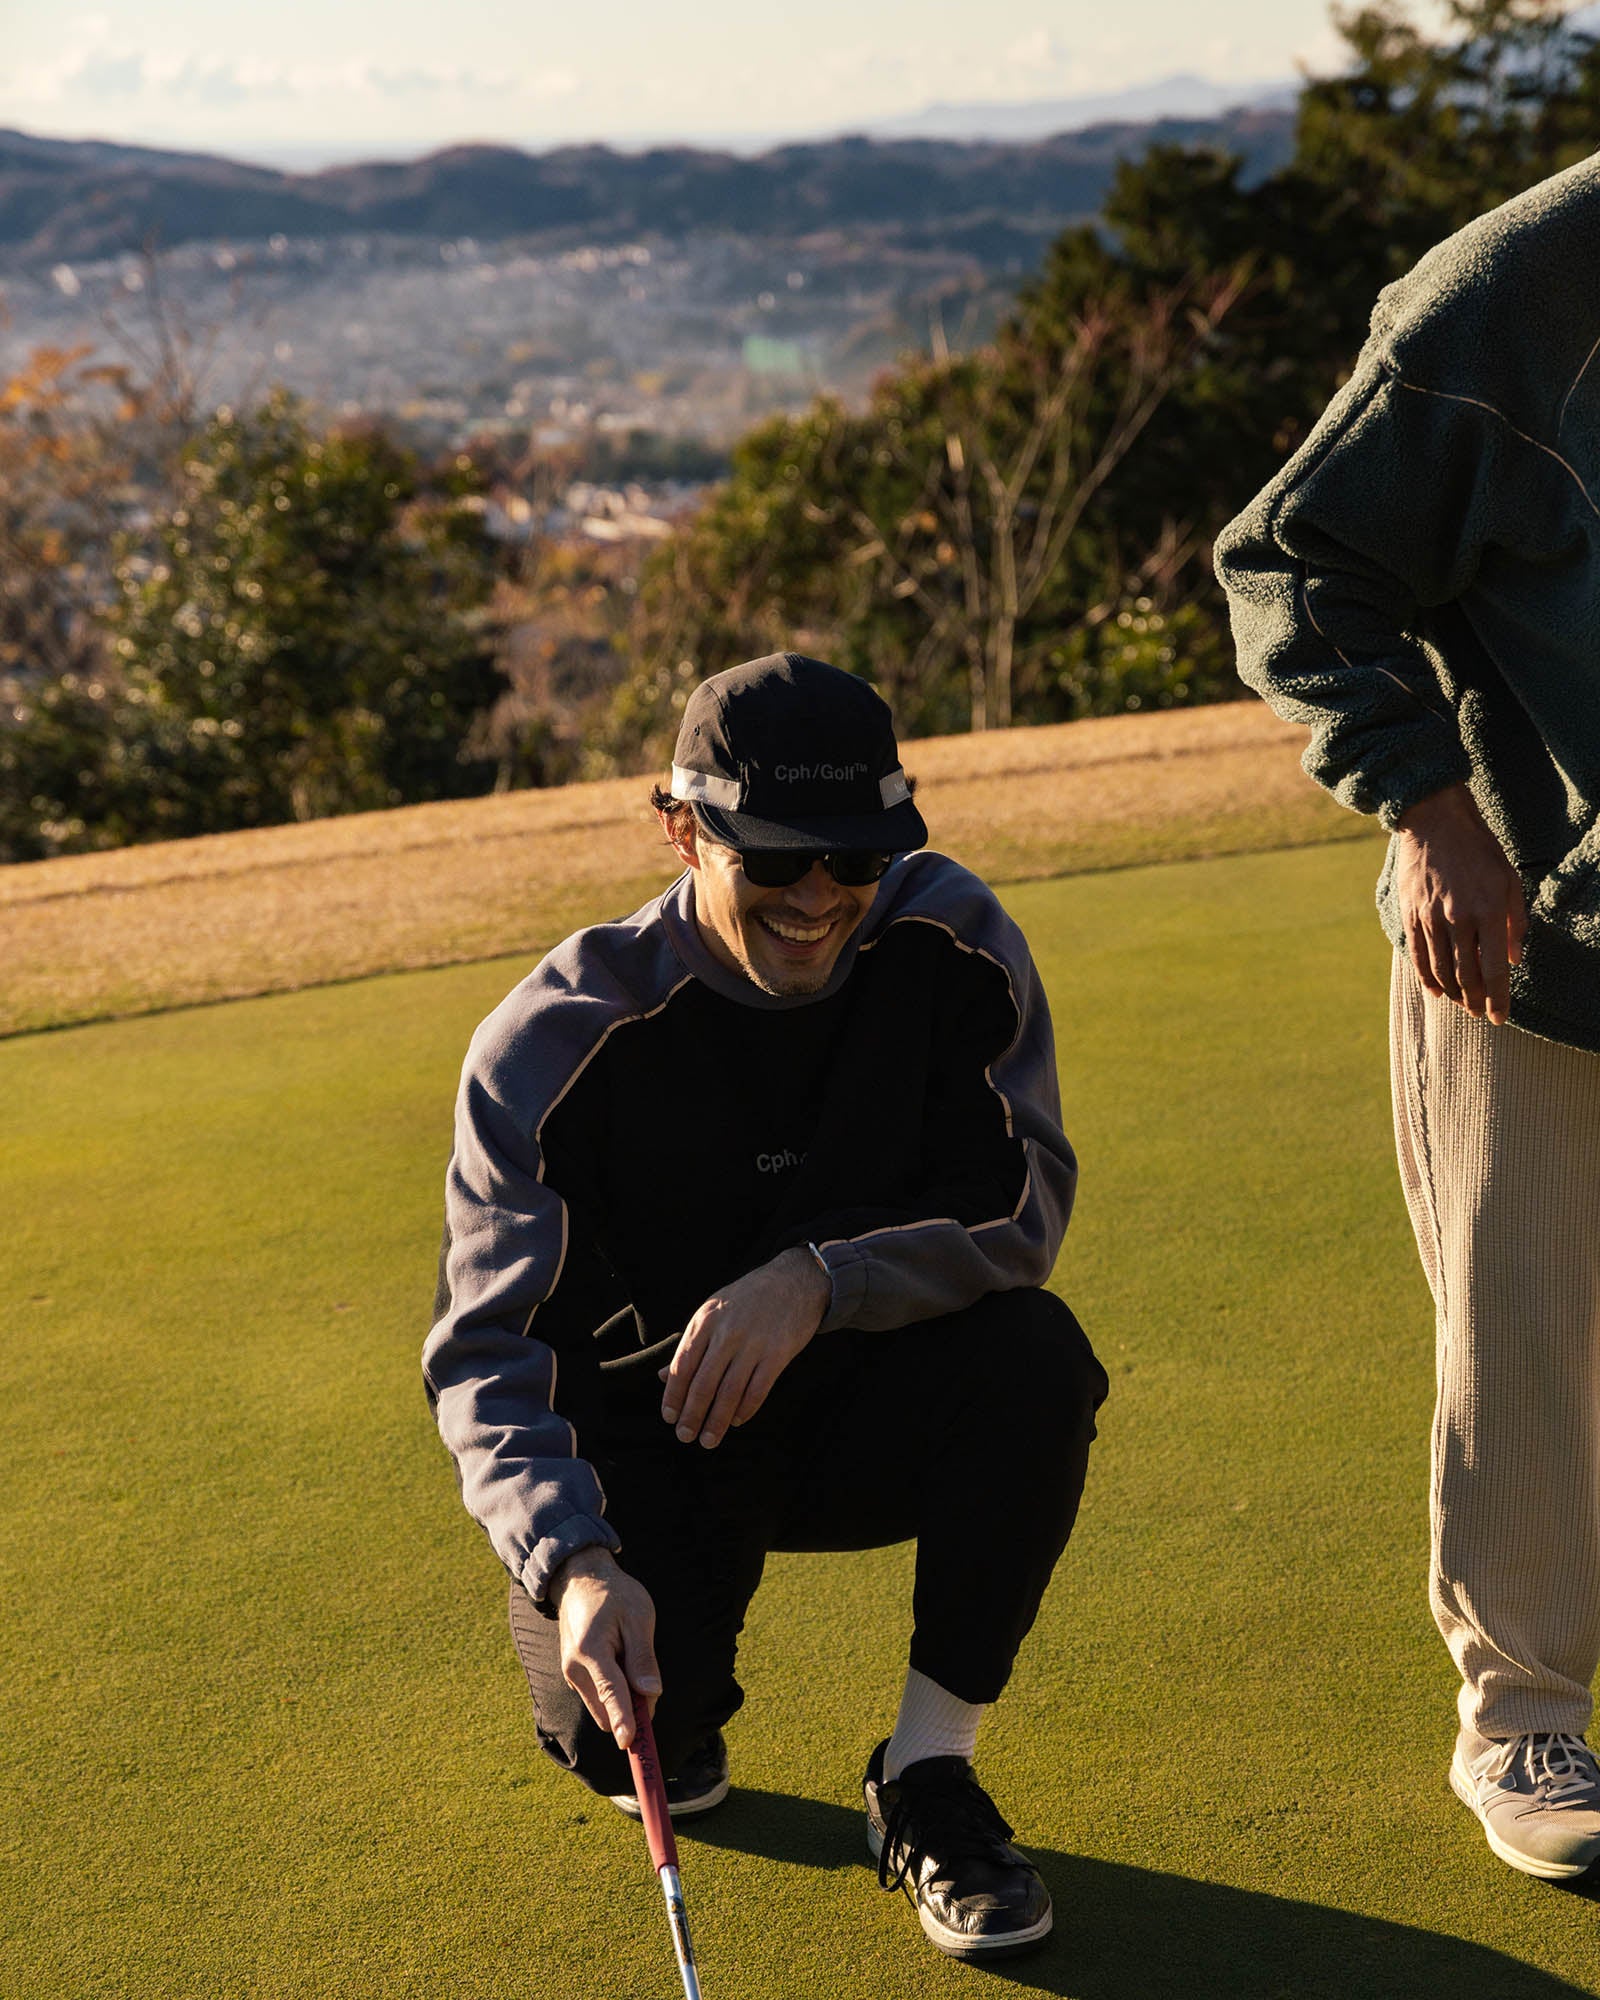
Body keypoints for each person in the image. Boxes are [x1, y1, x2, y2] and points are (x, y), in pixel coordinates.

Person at [422, 652, 1107, 1959]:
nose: (820, 897)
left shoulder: (951, 946)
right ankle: (666, 1677)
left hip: (864, 1410)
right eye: (776, 860)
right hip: (653, 1437)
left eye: (854, 861)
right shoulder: (560, 1035)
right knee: (632, 1757)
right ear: (682, 829)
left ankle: (929, 1776)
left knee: (1035, 1361)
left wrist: (817, 1280)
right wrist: (570, 1562)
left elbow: (1024, 1208)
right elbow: (486, 1355)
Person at [1215, 157, 1600, 1882]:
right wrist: (1426, 807)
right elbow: (1294, 556)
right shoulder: (1515, 294)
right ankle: (1522, 1719)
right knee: (1527, 1337)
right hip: (1533, 928)